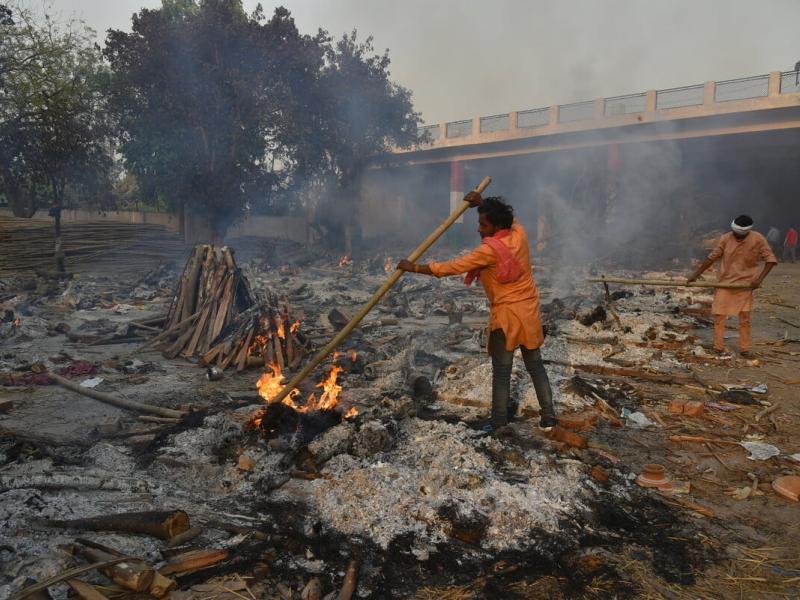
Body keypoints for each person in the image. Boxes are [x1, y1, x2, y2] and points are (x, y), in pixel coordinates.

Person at [397, 193, 557, 431]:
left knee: (502, 372)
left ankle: (499, 422)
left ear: (496, 226)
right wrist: (483, 204)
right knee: (535, 365)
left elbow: (453, 266)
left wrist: (417, 268)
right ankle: (549, 417)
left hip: (507, 316)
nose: (479, 230)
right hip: (530, 310)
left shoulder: (489, 251)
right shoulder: (519, 234)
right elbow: (513, 220)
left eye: (484, 225)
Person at [687, 214, 777, 356]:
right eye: (735, 233)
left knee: (745, 318)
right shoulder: (725, 238)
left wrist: (759, 280)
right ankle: (718, 346)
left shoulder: (758, 239)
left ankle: (744, 348)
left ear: (748, 232)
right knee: (719, 316)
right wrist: (695, 275)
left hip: (745, 285)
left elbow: (770, 260)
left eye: (741, 235)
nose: (737, 236)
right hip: (725, 283)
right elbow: (712, 258)